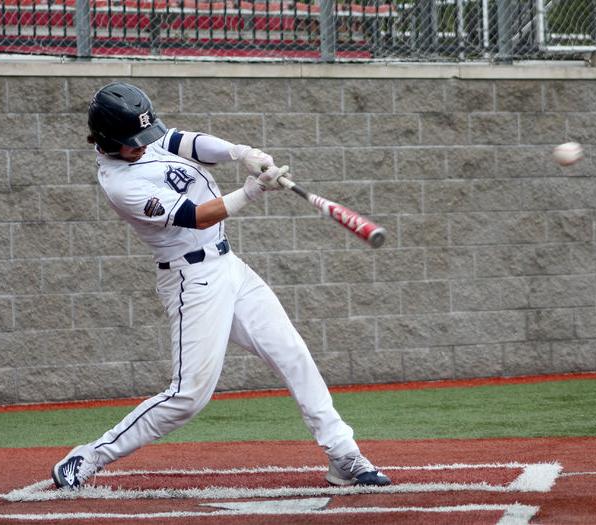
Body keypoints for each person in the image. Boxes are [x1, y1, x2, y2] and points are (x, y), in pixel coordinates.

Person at [51, 81, 391, 490]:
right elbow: (197, 215)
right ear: (108, 141)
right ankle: (88, 457)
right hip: (190, 280)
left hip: (229, 265)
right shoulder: (121, 184)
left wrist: (240, 153)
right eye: (133, 141)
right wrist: (251, 190)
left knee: (293, 354)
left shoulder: (142, 140)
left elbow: (185, 141)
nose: (143, 144)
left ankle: (343, 455)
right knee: (187, 397)